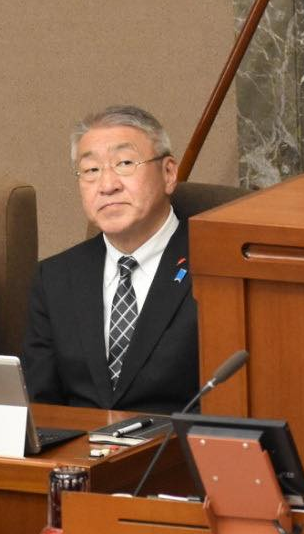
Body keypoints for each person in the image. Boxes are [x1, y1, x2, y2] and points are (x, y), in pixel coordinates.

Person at [23, 106, 199, 412]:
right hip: (78, 455)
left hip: (174, 453)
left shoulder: (215, 268)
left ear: (169, 173)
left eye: (125, 163)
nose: (107, 185)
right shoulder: (56, 277)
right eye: (91, 170)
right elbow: (41, 405)